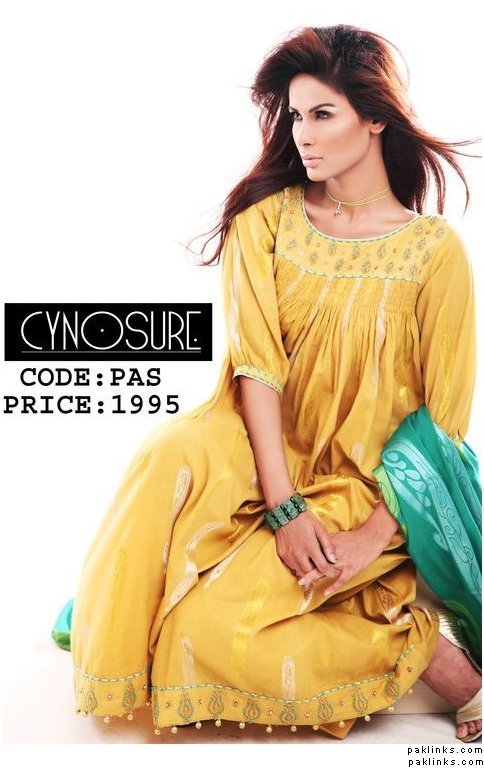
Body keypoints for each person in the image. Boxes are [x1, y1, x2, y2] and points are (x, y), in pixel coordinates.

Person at [53, 23, 482, 741]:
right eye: (295, 114)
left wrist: (372, 535)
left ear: (376, 118)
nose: (302, 133)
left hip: (366, 478)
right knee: (167, 452)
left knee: (201, 630)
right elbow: (258, 366)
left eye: (323, 113)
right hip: (257, 455)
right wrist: (285, 508)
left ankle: (430, 655)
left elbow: (444, 422)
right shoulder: (268, 222)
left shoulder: (433, 252)